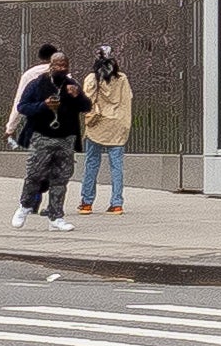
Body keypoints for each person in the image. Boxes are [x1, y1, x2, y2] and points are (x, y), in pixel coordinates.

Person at [7, 44, 83, 232]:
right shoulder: (34, 81)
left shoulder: (71, 83)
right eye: (57, 65)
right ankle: (25, 206)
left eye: (64, 65)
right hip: (42, 136)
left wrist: (77, 96)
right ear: (50, 64)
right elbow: (22, 105)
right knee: (35, 174)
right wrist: (43, 105)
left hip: (65, 137)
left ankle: (56, 216)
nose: (61, 68)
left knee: (61, 177)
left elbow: (84, 105)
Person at [80, 46, 136, 214]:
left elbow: (86, 100)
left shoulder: (92, 78)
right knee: (116, 165)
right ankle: (117, 203)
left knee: (91, 163)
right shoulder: (122, 78)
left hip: (97, 124)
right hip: (118, 124)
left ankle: (86, 202)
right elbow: (128, 98)